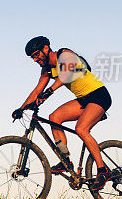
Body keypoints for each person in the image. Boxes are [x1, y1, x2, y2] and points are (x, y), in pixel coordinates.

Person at [11, 36, 113, 190]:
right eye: (32, 57)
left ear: (46, 48)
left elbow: (67, 73)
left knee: (81, 129)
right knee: (54, 117)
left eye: (37, 54)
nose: (35, 59)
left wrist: (50, 91)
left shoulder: (64, 54)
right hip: (83, 100)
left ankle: (103, 170)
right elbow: (37, 90)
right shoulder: (46, 70)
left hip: (99, 95)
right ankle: (66, 161)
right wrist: (22, 108)